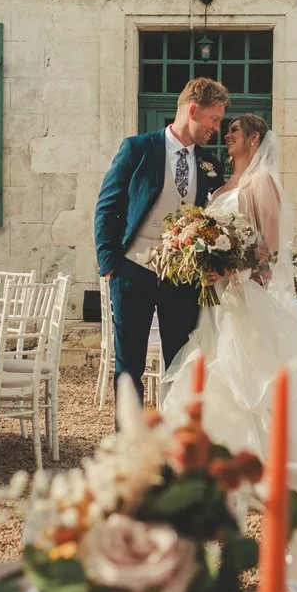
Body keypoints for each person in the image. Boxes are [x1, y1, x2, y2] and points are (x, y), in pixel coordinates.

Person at [159, 114, 297, 470]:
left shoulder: (262, 183)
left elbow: (270, 249)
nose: (227, 136)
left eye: (235, 132)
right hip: (212, 297)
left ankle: (250, 458)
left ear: (254, 139)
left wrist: (231, 269)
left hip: (240, 296)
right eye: (226, 130)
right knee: (205, 364)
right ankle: (201, 453)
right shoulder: (226, 182)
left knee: (240, 376)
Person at [94, 77, 228, 403]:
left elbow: (217, 223)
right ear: (193, 110)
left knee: (181, 365)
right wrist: (110, 264)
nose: (217, 128)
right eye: (215, 119)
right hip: (132, 270)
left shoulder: (210, 164)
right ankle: (130, 445)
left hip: (182, 279)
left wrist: (213, 264)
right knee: (129, 367)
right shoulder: (138, 149)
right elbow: (106, 207)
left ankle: (175, 442)